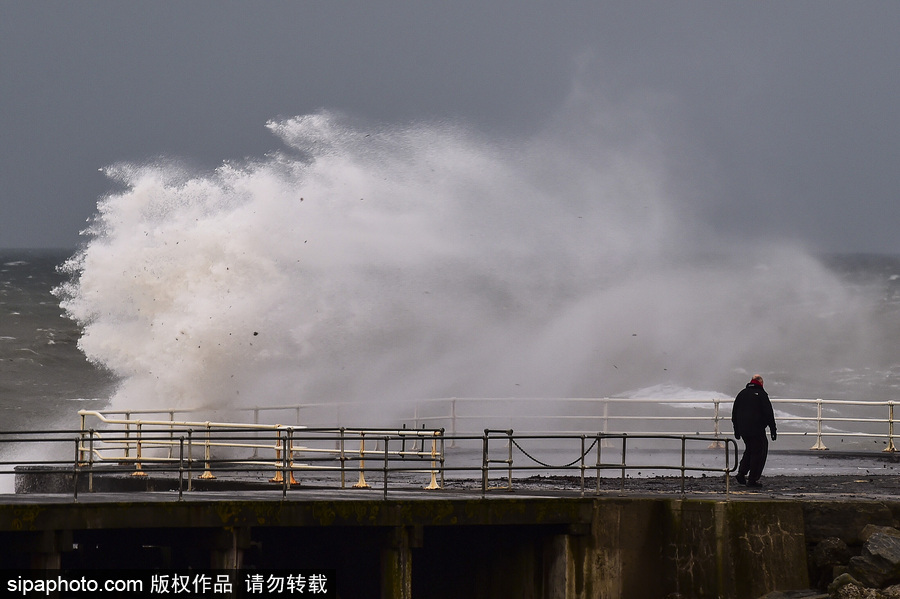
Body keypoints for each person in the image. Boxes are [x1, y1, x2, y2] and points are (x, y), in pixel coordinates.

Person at [731, 374, 777, 487]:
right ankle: (752, 479)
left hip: (743, 430)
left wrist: (736, 430)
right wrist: (773, 430)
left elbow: (734, 413)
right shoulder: (761, 394)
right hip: (757, 429)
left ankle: (741, 473)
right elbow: (769, 413)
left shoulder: (741, 394)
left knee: (750, 450)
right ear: (761, 383)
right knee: (759, 453)